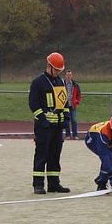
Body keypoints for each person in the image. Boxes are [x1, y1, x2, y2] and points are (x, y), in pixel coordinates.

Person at [28, 52, 71, 195]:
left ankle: (54, 184)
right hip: (43, 127)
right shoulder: (38, 82)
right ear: (49, 66)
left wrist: (66, 116)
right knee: (42, 154)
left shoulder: (60, 82)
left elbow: (64, 102)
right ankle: (38, 184)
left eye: (60, 70)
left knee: (55, 155)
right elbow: (33, 104)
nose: (58, 72)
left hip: (57, 127)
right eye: (56, 69)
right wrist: (42, 119)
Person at [85, 114, 112, 191]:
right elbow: (105, 157)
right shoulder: (103, 133)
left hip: (108, 141)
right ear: (111, 128)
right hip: (93, 140)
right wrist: (111, 175)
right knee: (109, 157)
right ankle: (102, 183)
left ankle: (101, 177)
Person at [63, 69, 82, 140]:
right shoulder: (62, 84)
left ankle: (75, 135)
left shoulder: (75, 85)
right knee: (66, 121)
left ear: (72, 76)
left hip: (73, 105)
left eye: (70, 75)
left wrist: (77, 101)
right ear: (65, 76)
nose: (68, 76)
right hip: (65, 105)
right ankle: (67, 135)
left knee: (74, 120)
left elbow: (79, 95)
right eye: (67, 75)